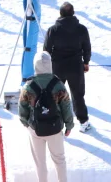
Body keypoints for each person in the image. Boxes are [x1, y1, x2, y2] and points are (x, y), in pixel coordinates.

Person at [18, 51, 74, 182]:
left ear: (35, 65)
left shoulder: (28, 86)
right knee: (59, 160)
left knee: (40, 163)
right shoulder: (58, 84)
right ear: (50, 65)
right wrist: (69, 125)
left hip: (35, 130)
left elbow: (22, 110)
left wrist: (27, 124)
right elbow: (66, 106)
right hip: (55, 129)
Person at [44, 2, 93, 133]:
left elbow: (46, 50)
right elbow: (86, 47)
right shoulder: (81, 29)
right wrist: (86, 62)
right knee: (78, 95)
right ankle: (83, 122)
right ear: (73, 13)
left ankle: (56, 122)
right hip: (76, 67)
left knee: (56, 95)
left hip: (57, 67)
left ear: (60, 14)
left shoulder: (53, 30)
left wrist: (47, 66)